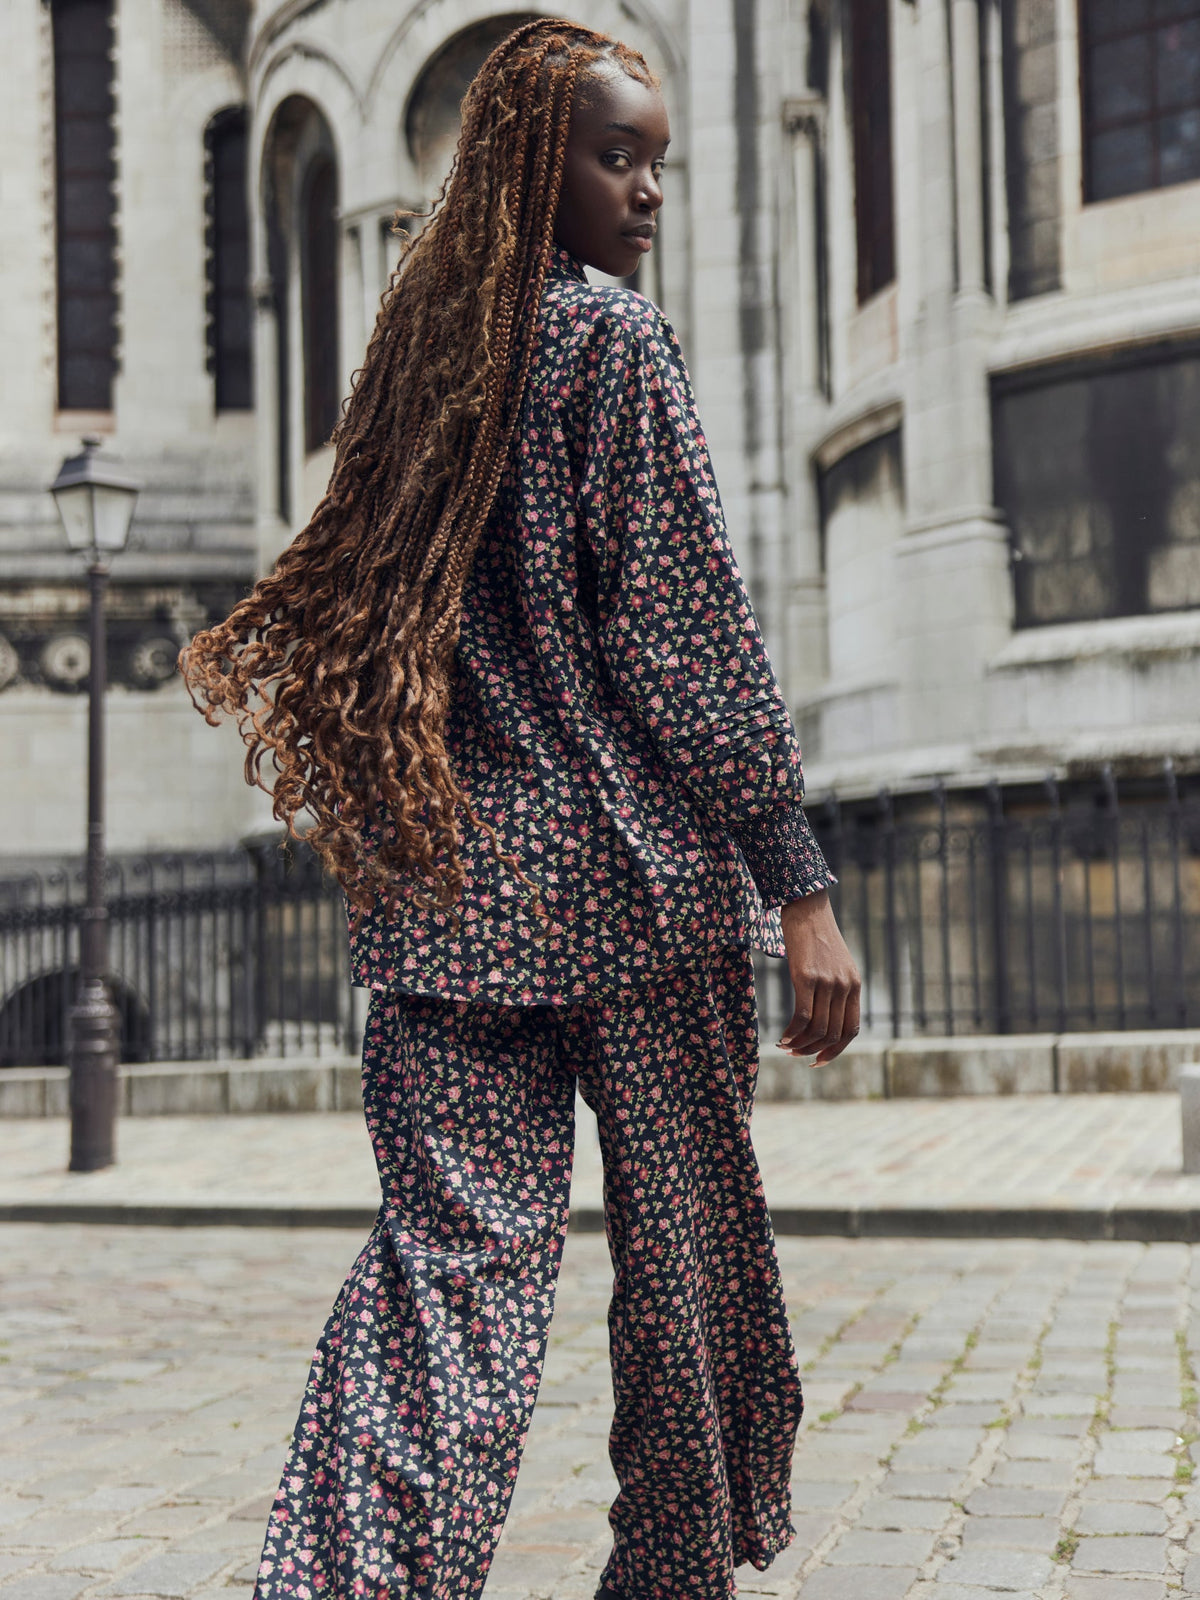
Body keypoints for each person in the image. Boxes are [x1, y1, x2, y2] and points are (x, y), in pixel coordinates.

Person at [181, 19, 860, 1600]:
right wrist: (799, 882)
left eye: (658, 163)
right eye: (615, 157)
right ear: (524, 169)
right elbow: (689, 636)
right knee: (684, 1274)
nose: (646, 194)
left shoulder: (414, 381)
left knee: (442, 1291)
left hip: (449, 903)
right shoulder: (614, 347)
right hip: (631, 891)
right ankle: (671, 1581)